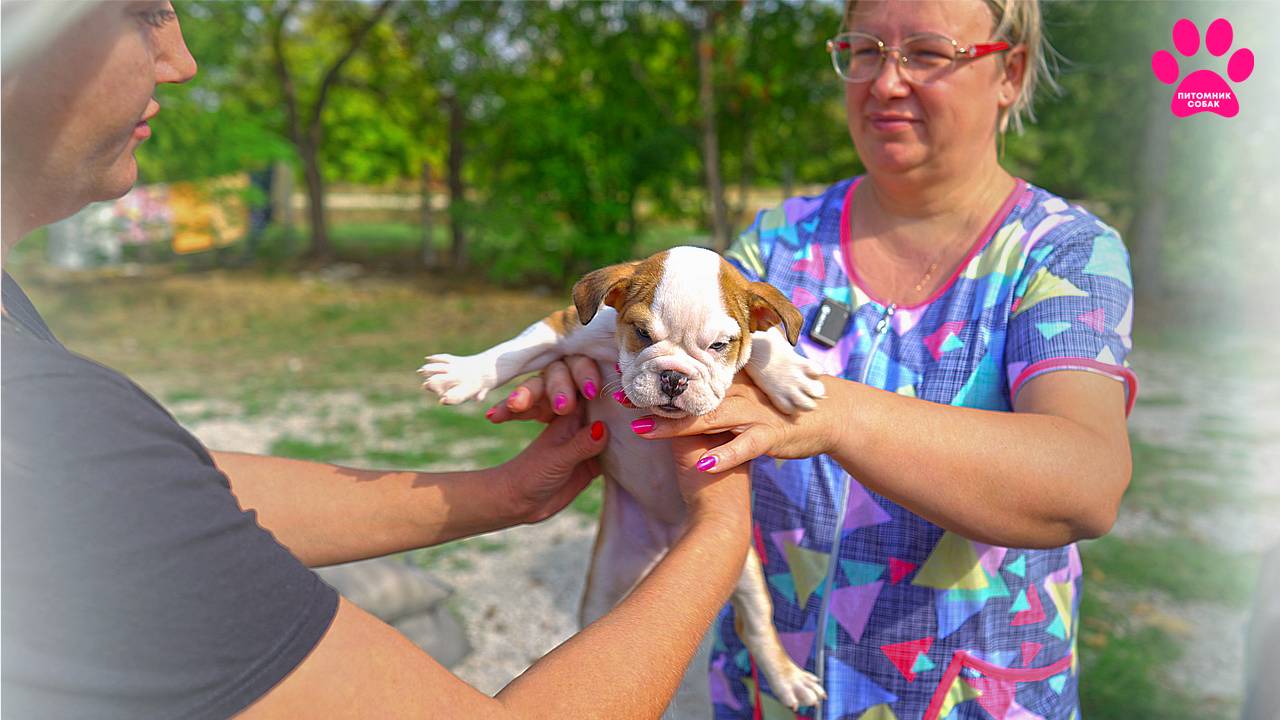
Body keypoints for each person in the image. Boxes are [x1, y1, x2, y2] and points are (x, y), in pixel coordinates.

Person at [0, 3, 753, 718]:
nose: (182, 59)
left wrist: (510, 493)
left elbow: (156, 494)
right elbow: (108, 489)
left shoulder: (40, 399)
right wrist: (720, 531)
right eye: (141, 13)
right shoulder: (34, 432)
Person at [500, 0, 1136, 717]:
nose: (886, 82)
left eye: (927, 52)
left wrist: (831, 415)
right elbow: (664, 372)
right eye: (864, 50)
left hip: (965, 692)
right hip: (769, 691)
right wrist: (587, 367)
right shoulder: (779, 242)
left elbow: (1086, 482)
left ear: (1009, 74)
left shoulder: (1063, 254)